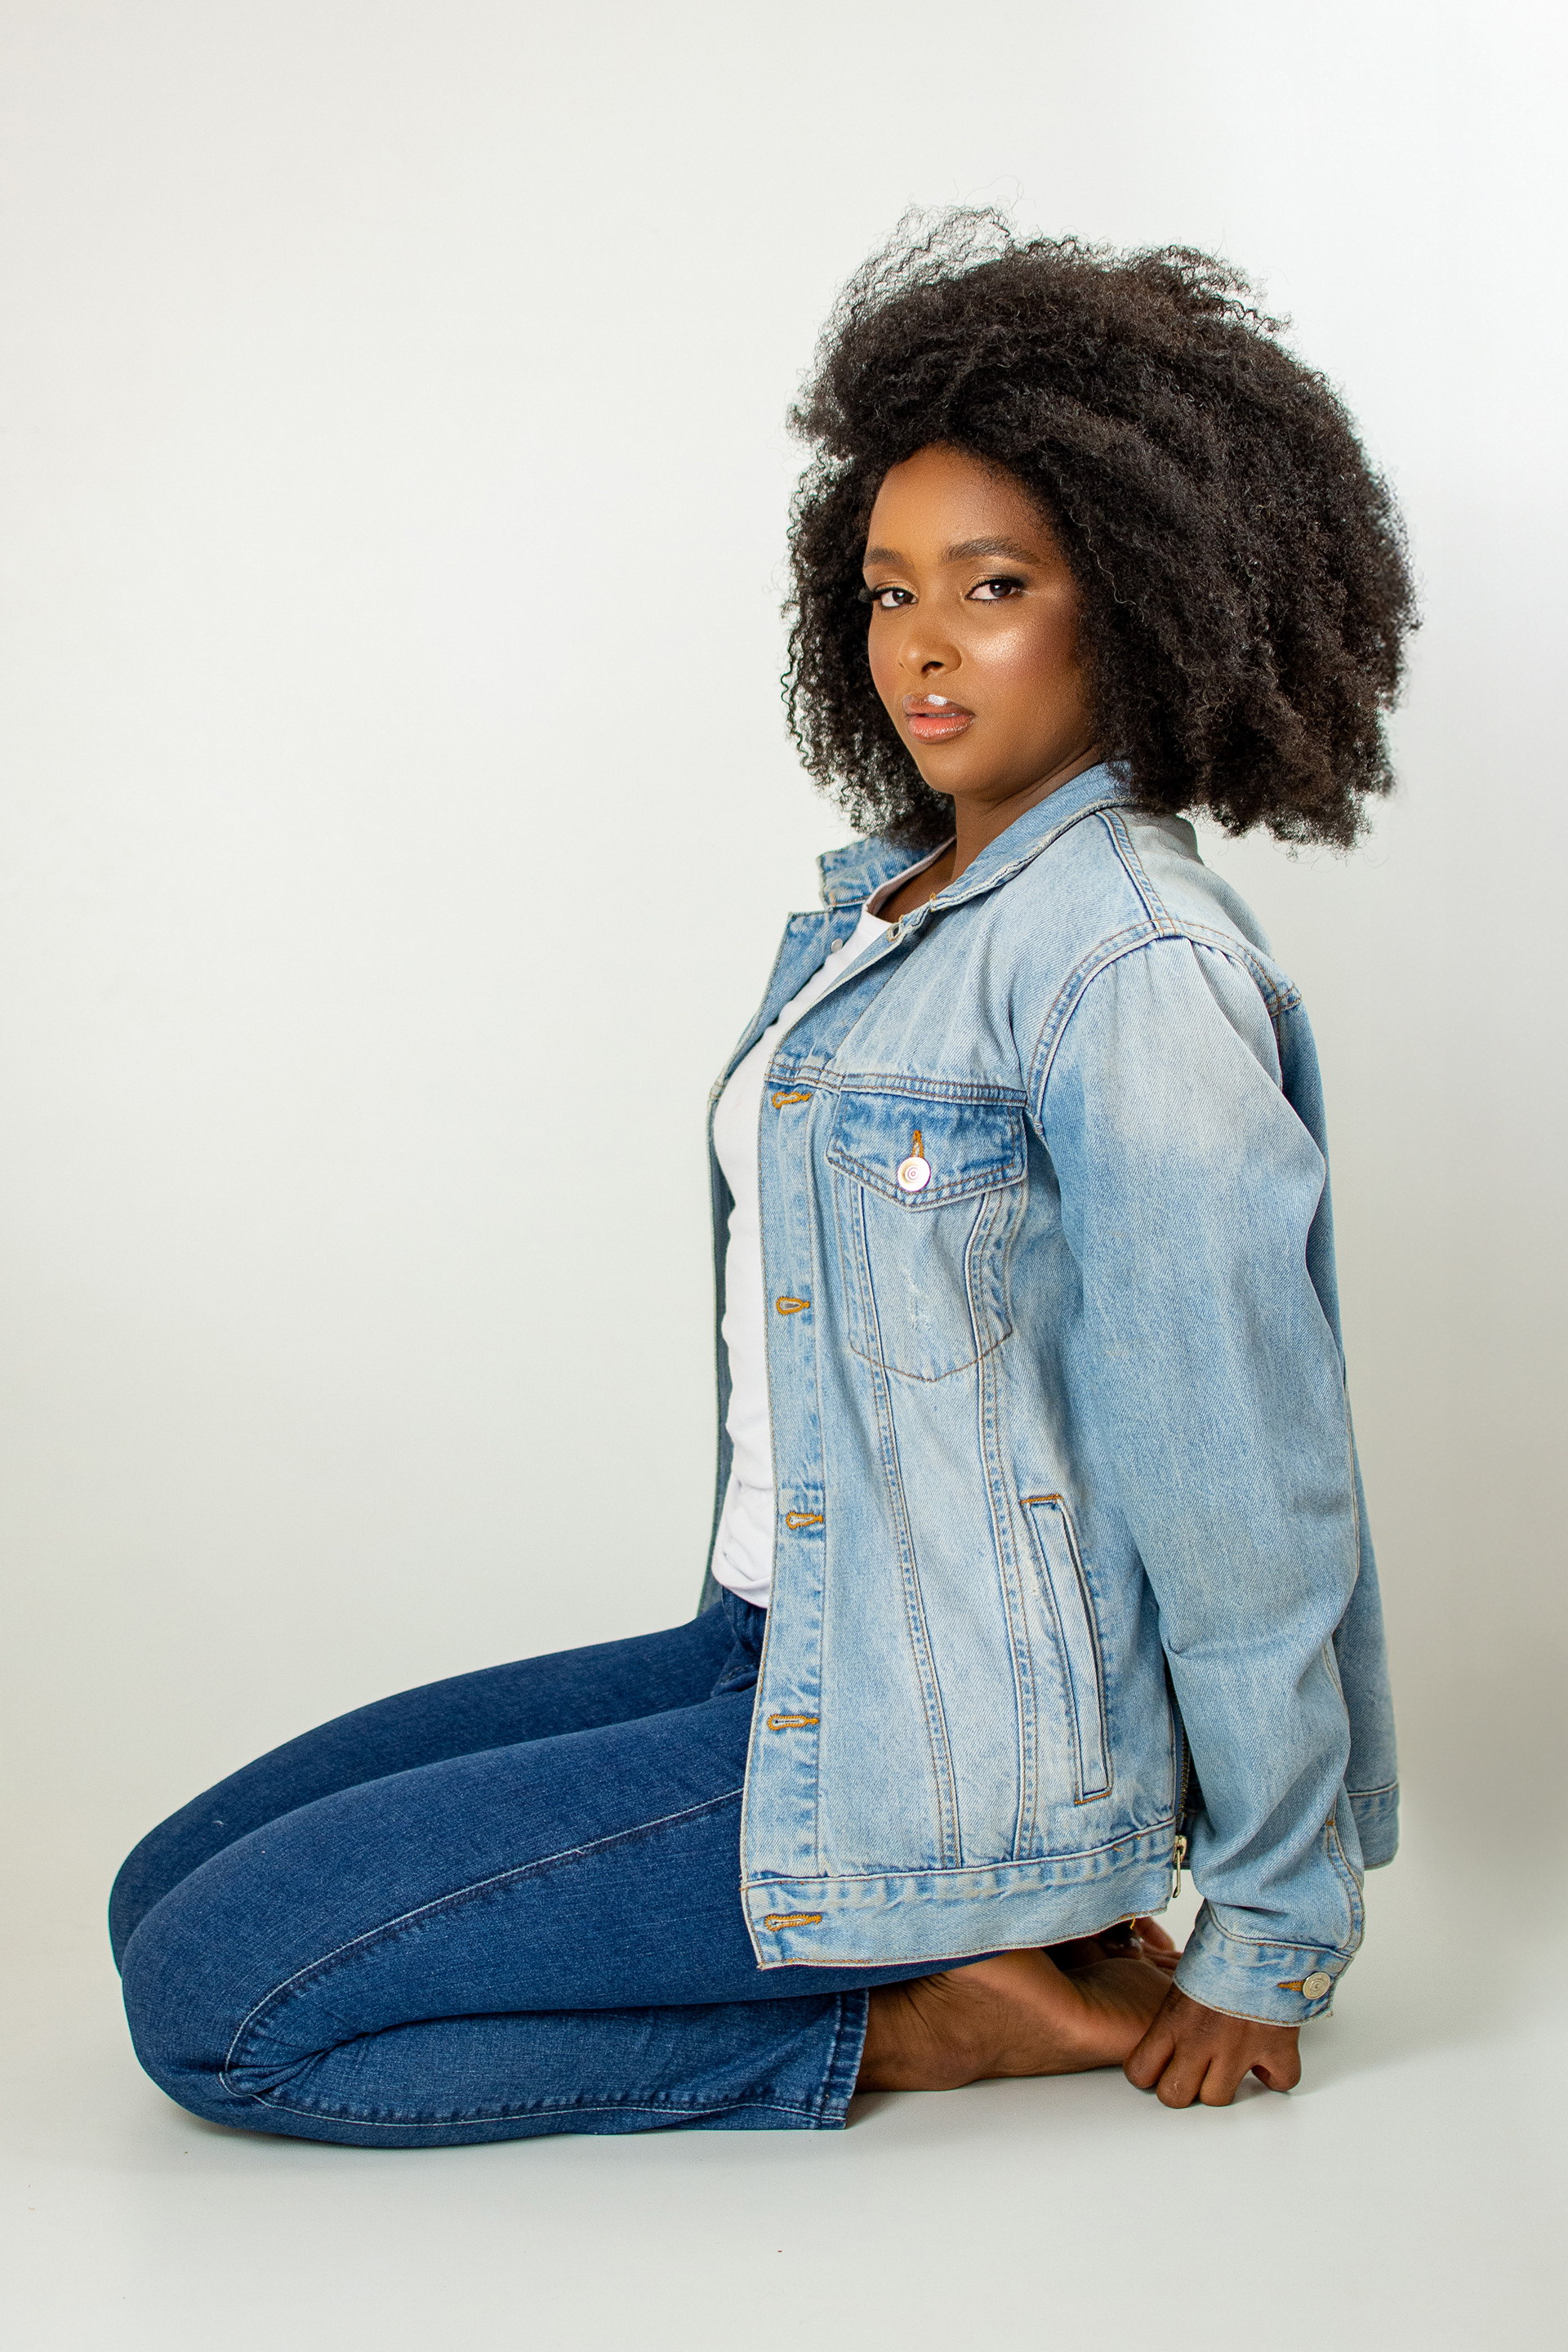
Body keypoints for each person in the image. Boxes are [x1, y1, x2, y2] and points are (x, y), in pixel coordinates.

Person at [110, 212, 1411, 2138]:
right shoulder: (894, 911)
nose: (924, 647)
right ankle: (939, 1951)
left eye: (996, 585)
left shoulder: (1128, 962)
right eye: (889, 592)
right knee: (160, 1890)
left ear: (1139, 600)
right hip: (777, 1652)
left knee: (219, 2007)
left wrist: (1273, 1925)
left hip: (939, 1752)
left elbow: (1242, 1473)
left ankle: (914, 2024)